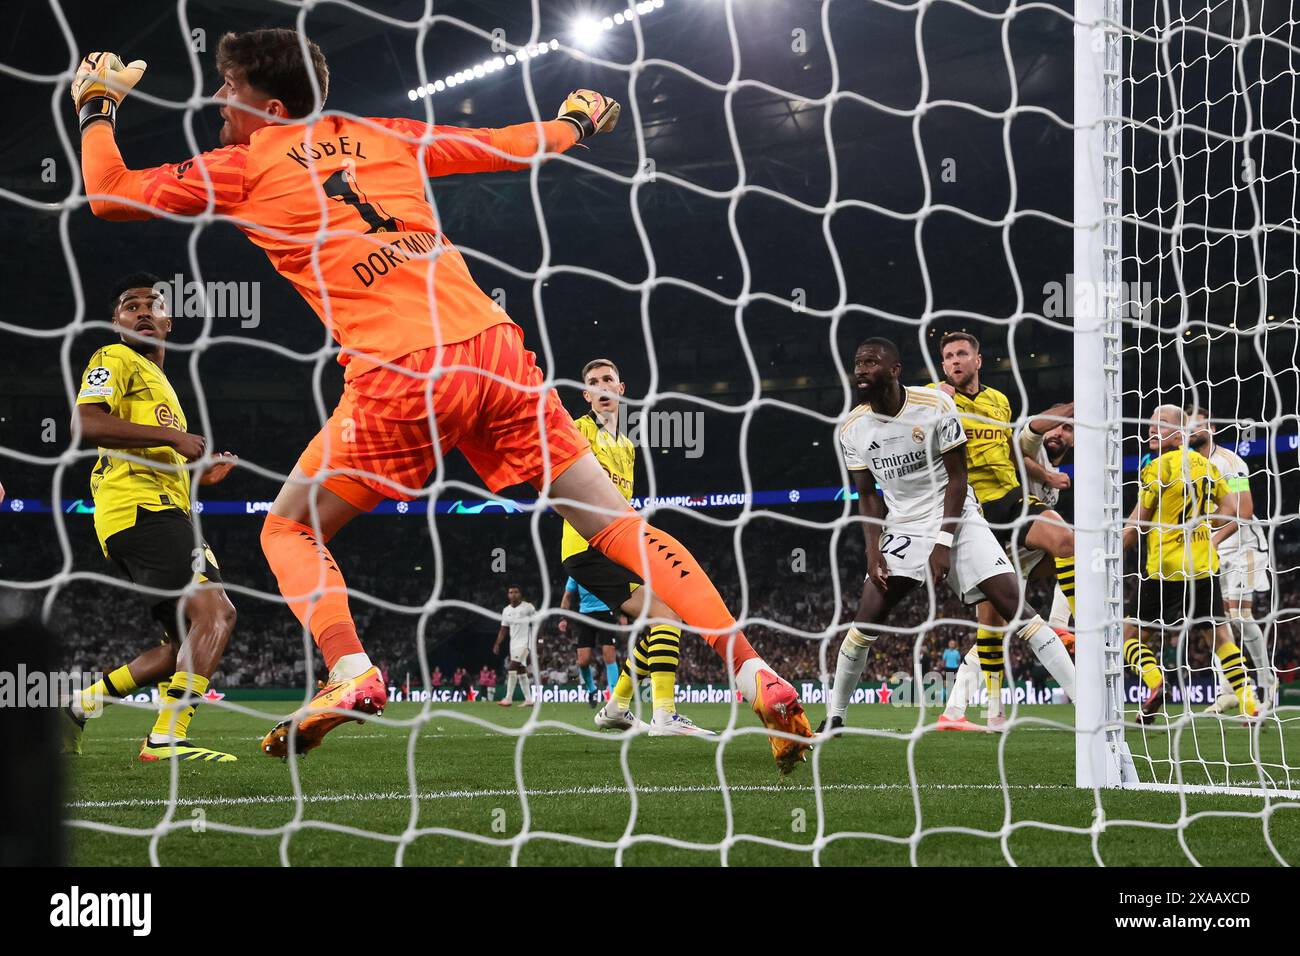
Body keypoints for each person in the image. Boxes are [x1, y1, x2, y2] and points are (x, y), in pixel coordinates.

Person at [72, 32, 810, 771]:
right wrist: (576, 121)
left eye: (225, 89)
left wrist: (97, 105)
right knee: (618, 526)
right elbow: (506, 145)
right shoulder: (382, 134)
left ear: (268, 107)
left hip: (400, 371)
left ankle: (353, 671)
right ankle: (756, 673)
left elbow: (108, 195)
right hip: (494, 347)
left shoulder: (241, 165)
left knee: (287, 530)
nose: (215, 102)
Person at [821, 338, 1075, 735]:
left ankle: (1085, 704)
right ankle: (835, 717)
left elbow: (959, 479)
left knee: (1016, 607)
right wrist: (873, 552)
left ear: (894, 369)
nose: (862, 369)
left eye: (872, 361)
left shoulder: (935, 405)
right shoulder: (852, 429)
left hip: (956, 512)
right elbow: (867, 496)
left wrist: (943, 542)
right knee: (863, 623)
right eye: (858, 363)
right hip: (903, 526)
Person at [64, 274, 239, 762]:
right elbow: (86, 422)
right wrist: (175, 441)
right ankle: (166, 737)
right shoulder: (113, 357)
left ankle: (79, 706)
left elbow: (157, 455)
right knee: (217, 613)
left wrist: (199, 474)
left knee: (181, 644)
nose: (142, 310)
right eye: (129, 305)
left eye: (151, 304)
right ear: (116, 322)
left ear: (169, 322)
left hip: (152, 509)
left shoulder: (162, 385)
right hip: (141, 508)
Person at [927, 332, 1076, 728]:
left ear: (978, 360)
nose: (955, 361)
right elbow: (904, 406)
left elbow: (1013, 449)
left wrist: (1044, 473)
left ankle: (1062, 628)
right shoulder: (935, 396)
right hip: (970, 510)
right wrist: (930, 397)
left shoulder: (999, 401)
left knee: (1067, 541)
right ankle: (990, 712)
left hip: (1010, 498)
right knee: (991, 623)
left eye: (962, 354)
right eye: (948, 357)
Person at [561, 359, 710, 736]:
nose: (602, 387)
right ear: (586, 395)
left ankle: (616, 707)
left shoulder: (627, 445)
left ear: (621, 388)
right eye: (593, 382)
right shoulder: (577, 430)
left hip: (618, 546)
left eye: (608, 379)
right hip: (586, 547)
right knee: (666, 616)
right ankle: (663, 714)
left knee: (661, 618)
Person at [1122, 405, 1254, 721]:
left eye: (1161, 425)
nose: (1152, 430)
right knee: (1219, 637)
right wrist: (1205, 532)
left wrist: (1109, 555)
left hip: (1165, 568)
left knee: (1130, 636)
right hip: (1203, 565)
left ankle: (1154, 681)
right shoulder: (1207, 465)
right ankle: (1249, 700)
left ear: (1182, 432)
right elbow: (1232, 508)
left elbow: (1137, 525)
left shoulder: (1158, 468)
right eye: (1150, 425)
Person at [1186, 407, 1275, 709]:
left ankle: (1266, 682)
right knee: (1215, 619)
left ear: (1210, 427)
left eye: (1195, 425)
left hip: (1243, 547)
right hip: (1213, 549)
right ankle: (1227, 689)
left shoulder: (1231, 463)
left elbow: (1244, 509)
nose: (1189, 430)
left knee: (1239, 615)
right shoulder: (1191, 467)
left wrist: (1213, 539)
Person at [493, 586, 536, 707]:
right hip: (514, 644)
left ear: (520, 594)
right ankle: (529, 699)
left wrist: (540, 640)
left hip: (526, 643)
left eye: (516, 592)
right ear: (508, 595)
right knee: (521, 670)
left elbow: (538, 621)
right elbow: (503, 629)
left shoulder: (528, 607)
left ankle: (508, 698)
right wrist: (497, 643)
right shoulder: (506, 610)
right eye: (510, 592)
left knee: (512, 667)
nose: (513, 595)